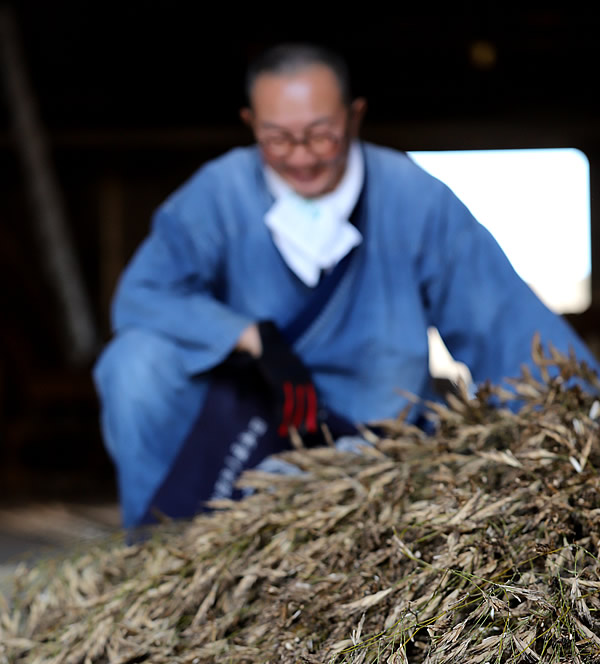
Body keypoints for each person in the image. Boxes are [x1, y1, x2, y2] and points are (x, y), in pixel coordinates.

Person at [93, 42, 598, 536]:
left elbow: (500, 322)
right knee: (132, 360)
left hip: (372, 443)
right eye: (278, 139)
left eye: (320, 136)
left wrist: (578, 420)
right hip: (248, 428)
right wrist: (252, 337)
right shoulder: (219, 192)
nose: (301, 158)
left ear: (353, 117)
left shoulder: (413, 197)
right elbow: (144, 295)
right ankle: (159, 545)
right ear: (251, 125)